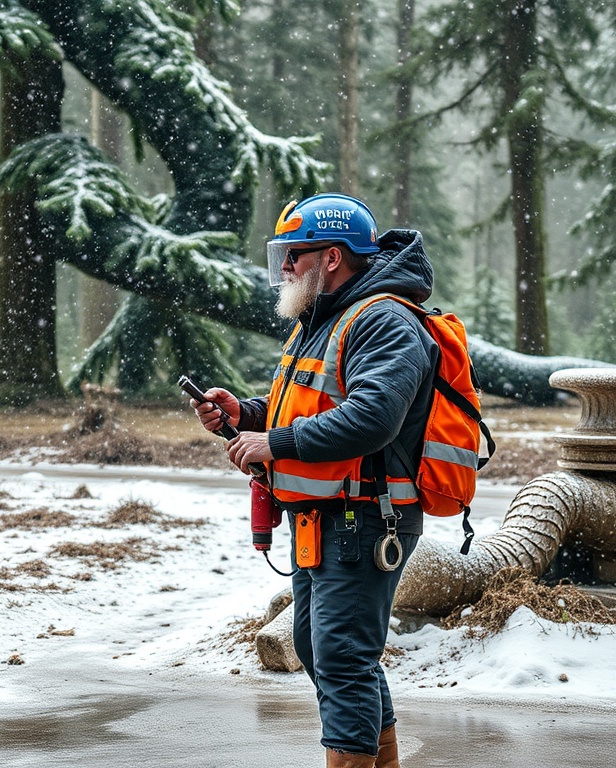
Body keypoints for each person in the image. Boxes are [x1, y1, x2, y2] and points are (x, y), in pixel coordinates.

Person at [191, 193, 437, 768]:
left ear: (331, 258)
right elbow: (310, 405)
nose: (283, 268)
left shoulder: (383, 319)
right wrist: (248, 415)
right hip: (324, 515)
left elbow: (373, 418)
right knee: (319, 647)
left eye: (293, 255)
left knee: (342, 655)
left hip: (366, 518)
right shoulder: (322, 319)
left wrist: (273, 443)